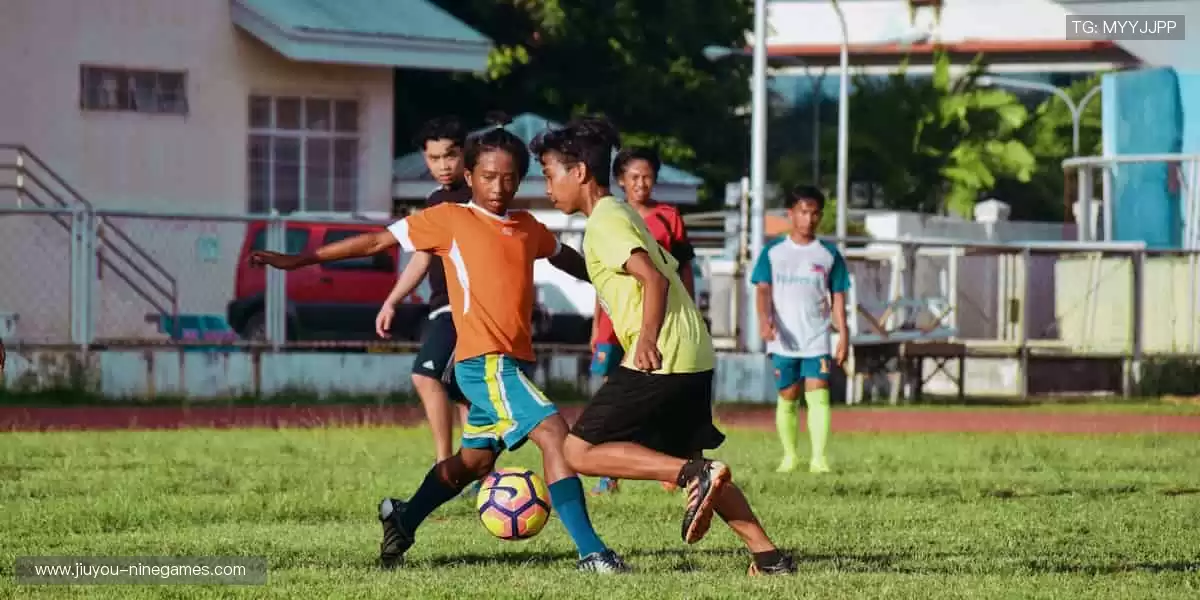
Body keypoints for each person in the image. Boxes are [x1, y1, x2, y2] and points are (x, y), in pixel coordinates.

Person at [249, 114, 628, 574]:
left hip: (509, 365)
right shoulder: (450, 219)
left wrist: (616, 275)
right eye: (488, 176)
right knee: (554, 434)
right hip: (484, 364)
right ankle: (592, 553)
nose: (499, 187)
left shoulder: (527, 226)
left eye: (510, 177)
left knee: (472, 463)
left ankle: (403, 518)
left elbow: (568, 259)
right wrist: (302, 259)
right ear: (469, 176)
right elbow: (376, 242)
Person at [532, 116, 797, 576]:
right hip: (692, 352)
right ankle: (768, 558)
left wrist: (647, 340)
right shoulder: (620, 214)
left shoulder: (605, 222)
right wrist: (553, 252)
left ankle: (693, 476)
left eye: (549, 174)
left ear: (579, 172)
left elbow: (651, 279)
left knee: (577, 451)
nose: (547, 186)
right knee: (699, 466)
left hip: (662, 353)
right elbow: (614, 272)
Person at [589, 146, 696, 496]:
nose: (641, 183)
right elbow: (602, 279)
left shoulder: (668, 217)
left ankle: (670, 464)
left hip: (656, 321)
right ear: (620, 180)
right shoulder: (611, 216)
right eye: (634, 177)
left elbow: (683, 268)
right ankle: (609, 474)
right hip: (614, 324)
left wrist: (691, 311)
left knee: (661, 393)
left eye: (647, 177)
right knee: (612, 396)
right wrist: (596, 326)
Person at [375, 117, 471, 472]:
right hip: (442, 307)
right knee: (463, 392)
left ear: (465, 154)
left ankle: (445, 468)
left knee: (426, 376)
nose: (443, 165)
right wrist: (392, 300)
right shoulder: (434, 201)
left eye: (450, 155)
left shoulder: (480, 196)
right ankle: (475, 471)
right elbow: (422, 257)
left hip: (466, 308)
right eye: (434, 158)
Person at [750, 185, 850, 475]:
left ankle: (819, 460)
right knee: (788, 395)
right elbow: (762, 291)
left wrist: (843, 335)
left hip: (817, 337)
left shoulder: (829, 254)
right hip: (784, 339)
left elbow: (838, 297)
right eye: (803, 212)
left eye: (815, 213)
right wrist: (764, 320)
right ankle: (790, 457)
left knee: (819, 394)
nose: (809, 219)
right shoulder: (773, 252)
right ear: (791, 214)